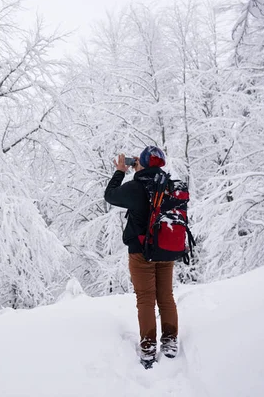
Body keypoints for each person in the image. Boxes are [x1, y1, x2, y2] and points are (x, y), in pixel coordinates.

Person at [104, 146, 178, 369]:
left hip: (140, 252)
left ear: (142, 163)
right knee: (165, 296)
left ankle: (148, 349)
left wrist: (120, 170)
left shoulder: (136, 187)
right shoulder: (169, 186)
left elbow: (110, 194)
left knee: (145, 298)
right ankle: (170, 341)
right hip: (165, 250)